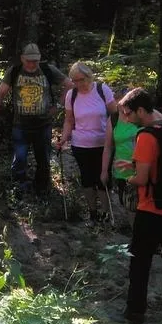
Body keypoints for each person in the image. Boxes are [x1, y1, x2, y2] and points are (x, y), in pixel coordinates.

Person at [118, 88, 162, 324]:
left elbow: (142, 179)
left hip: (150, 211)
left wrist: (129, 179)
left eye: (128, 113)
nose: (126, 119)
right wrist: (135, 166)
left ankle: (135, 312)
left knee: (139, 262)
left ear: (141, 111)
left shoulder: (146, 136)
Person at [0, 43, 72, 195]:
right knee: (19, 159)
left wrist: (58, 105)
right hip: (20, 125)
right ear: (22, 59)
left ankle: (42, 190)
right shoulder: (14, 71)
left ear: (39, 59)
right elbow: (0, 94)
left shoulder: (48, 70)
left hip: (43, 124)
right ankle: (19, 190)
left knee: (43, 160)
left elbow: (70, 85)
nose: (32, 64)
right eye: (28, 61)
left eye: (35, 61)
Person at [57, 61, 116, 221]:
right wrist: (64, 138)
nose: (78, 84)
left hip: (104, 144)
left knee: (103, 178)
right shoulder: (71, 95)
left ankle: (106, 213)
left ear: (88, 76)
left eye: (81, 79)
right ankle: (93, 213)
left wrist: (116, 137)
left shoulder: (102, 90)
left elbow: (115, 115)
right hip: (80, 144)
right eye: (74, 80)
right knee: (87, 179)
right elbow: (69, 120)